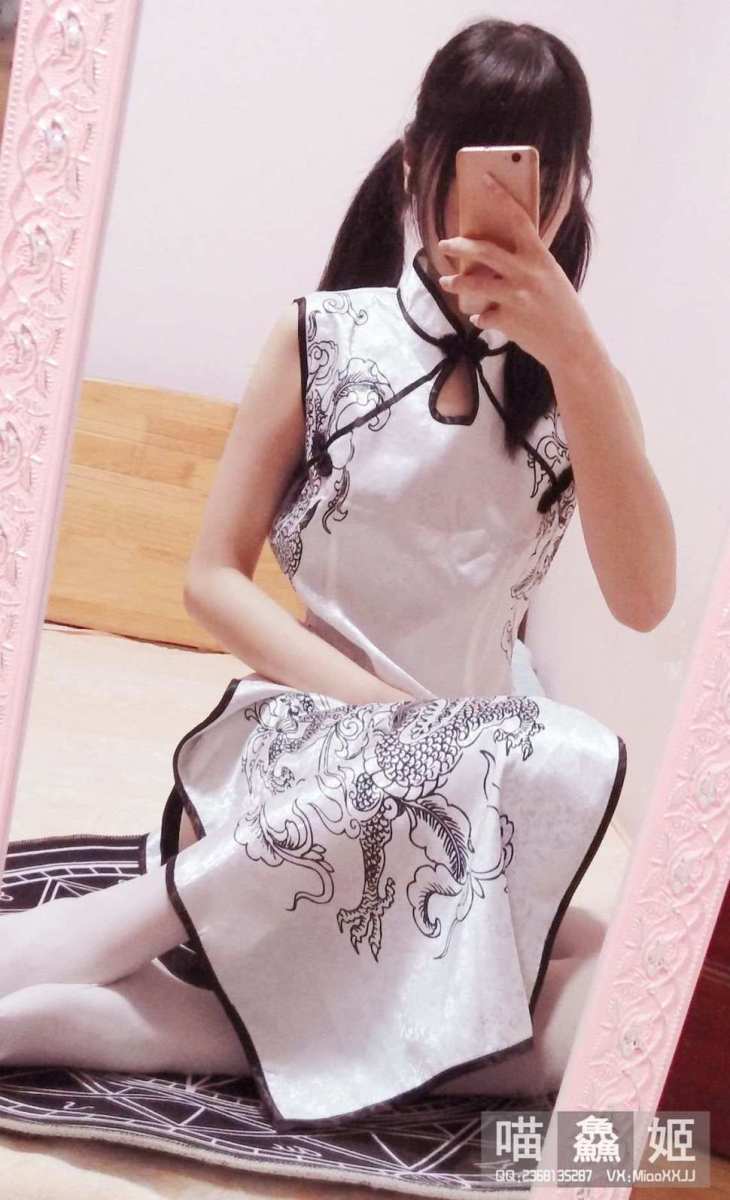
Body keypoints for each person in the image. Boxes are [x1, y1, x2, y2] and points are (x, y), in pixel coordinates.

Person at [0, 17, 675, 1133]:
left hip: (472, 805)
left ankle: (169, 1026)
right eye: (478, 163)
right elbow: (211, 580)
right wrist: (386, 716)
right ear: (418, 163)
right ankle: (136, 926)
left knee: (627, 985)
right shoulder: (320, 339)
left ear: (569, 188)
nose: (512, 201)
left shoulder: (581, 387)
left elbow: (644, 600)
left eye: (541, 173)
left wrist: (579, 357)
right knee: (543, 757)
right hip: (299, 759)